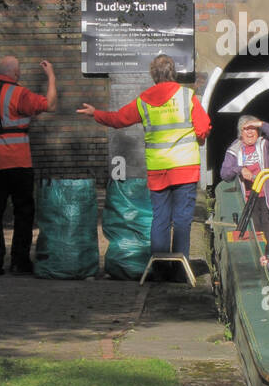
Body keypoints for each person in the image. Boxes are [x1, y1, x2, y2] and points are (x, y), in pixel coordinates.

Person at [77, 54, 210, 265]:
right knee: (183, 220)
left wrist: (96, 113)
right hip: (184, 168)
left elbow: (119, 119)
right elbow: (203, 127)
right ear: (173, 72)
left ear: (153, 75)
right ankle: (180, 269)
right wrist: (200, 140)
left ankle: (159, 267)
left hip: (158, 170)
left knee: (160, 219)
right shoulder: (187, 96)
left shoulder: (144, 100)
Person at [0, 55, 56, 277]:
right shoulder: (20, 93)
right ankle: (19, 262)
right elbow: (49, 104)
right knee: (23, 212)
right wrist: (51, 76)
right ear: (16, 74)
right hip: (18, 162)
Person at [221, 115, 269, 192]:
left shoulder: (264, 145)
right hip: (248, 198)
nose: (250, 132)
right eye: (246, 129)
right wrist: (240, 169)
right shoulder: (234, 150)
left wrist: (261, 124)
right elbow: (225, 175)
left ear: (258, 131)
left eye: (253, 128)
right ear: (241, 132)